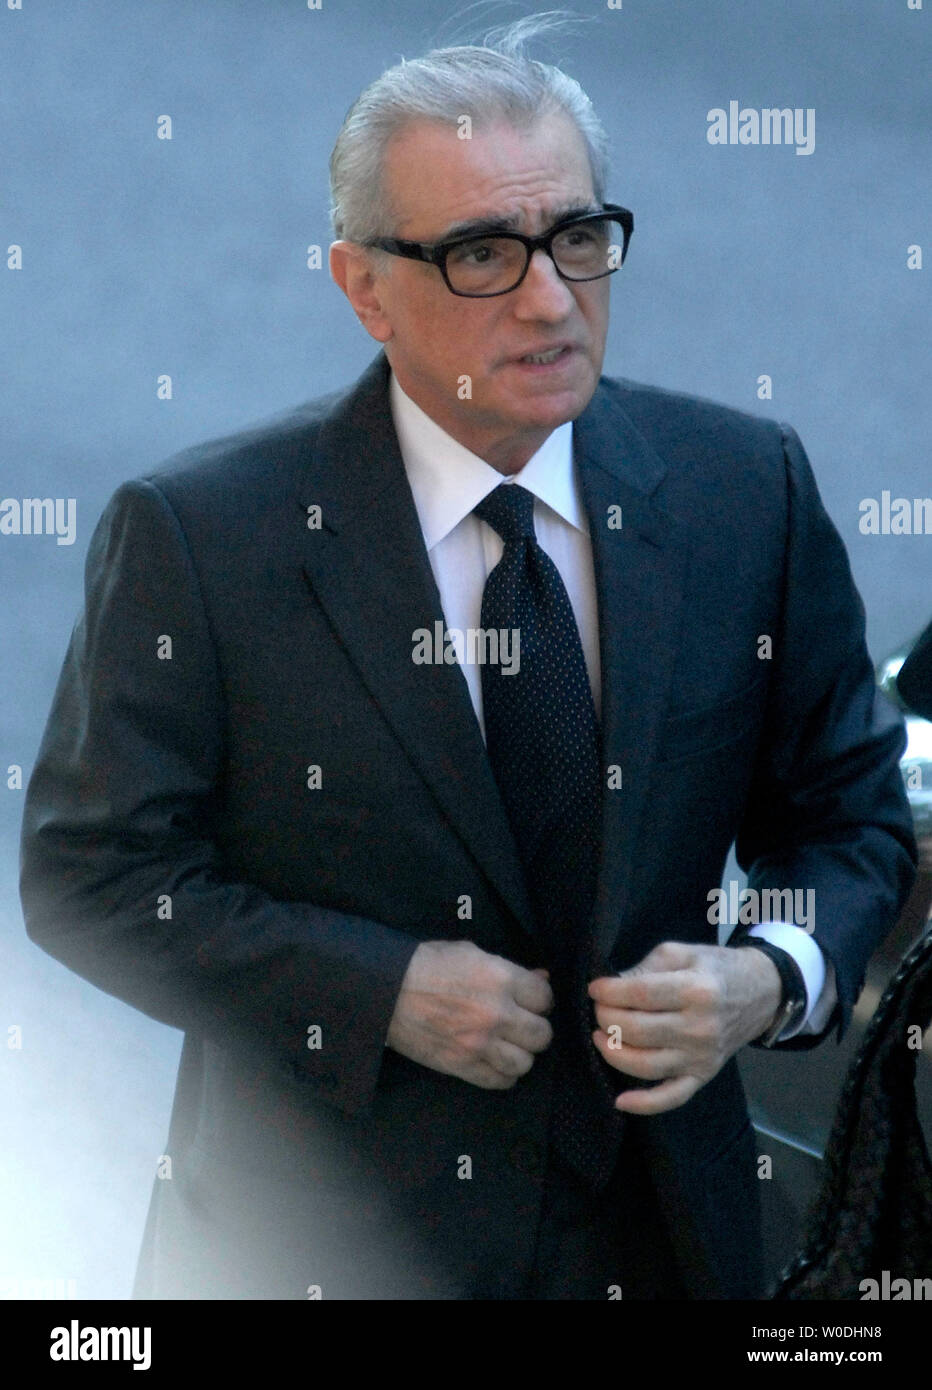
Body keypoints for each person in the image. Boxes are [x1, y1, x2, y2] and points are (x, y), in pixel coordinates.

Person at [19, 21, 917, 1300]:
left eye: (577, 239)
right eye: (483, 255)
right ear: (361, 286)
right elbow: (92, 874)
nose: (550, 298)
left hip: (669, 1246)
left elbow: (849, 820)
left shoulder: (741, 492)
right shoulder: (204, 540)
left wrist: (764, 977)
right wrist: (375, 989)